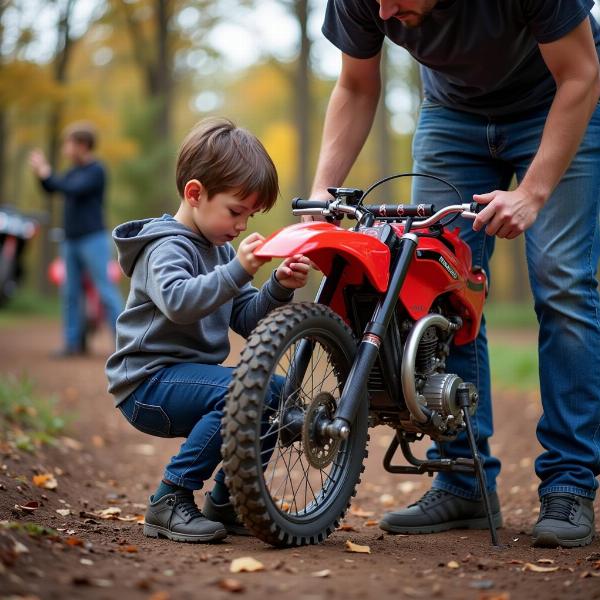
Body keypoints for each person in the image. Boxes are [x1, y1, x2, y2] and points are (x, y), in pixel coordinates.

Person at [312, 1, 600, 547]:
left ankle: (569, 483)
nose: (385, 11)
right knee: (438, 286)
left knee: (562, 282)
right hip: (452, 116)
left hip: (557, 100)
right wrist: (326, 189)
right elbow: (354, 85)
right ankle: (462, 478)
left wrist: (532, 193)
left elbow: (582, 73)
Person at [105, 117, 310, 543]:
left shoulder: (220, 251)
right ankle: (170, 497)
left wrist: (277, 286)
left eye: (250, 215)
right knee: (244, 391)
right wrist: (239, 269)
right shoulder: (165, 247)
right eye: (235, 212)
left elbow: (247, 320)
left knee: (272, 394)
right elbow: (181, 303)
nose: (241, 226)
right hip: (148, 383)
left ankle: (230, 498)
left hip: (187, 380)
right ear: (195, 194)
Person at [29, 122, 123, 357]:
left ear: (82, 145)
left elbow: (72, 188)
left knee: (105, 291)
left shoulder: (96, 170)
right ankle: (73, 343)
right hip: (70, 240)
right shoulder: (72, 171)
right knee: (70, 293)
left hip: (93, 239)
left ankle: (123, 344)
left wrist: (48, 173)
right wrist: (42, 174)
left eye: (68, 144)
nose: (65, 149)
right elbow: (52, 187)